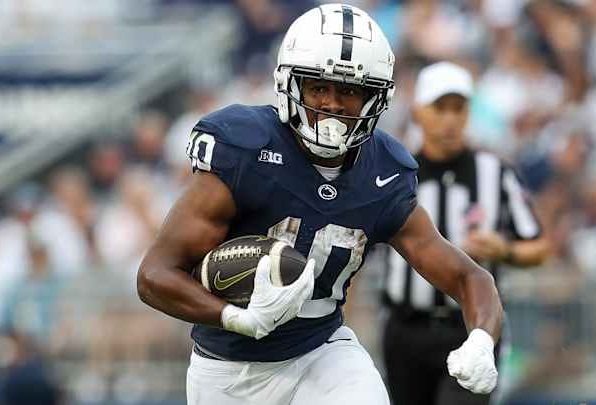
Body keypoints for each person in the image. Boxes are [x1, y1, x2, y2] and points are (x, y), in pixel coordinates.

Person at [137, 5, 503, 404]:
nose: (331, 103)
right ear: (289, 85)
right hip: (227, 368)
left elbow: (470, 277)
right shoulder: (246, 150)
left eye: (349, 90)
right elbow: (155, 275)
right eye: (318, 86)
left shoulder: (383, 171)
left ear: (375, 98)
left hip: (321, 353)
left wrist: (482, 339)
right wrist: (234, 317)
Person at [382, 62, 549, 405]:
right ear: (418, 111)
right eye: (439, 108)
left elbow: (539, 246)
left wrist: (504, 250)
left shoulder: (496, 172)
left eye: (458, 109)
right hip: (405, 329)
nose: (450, 120)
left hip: (472, 327)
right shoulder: (395, 174)